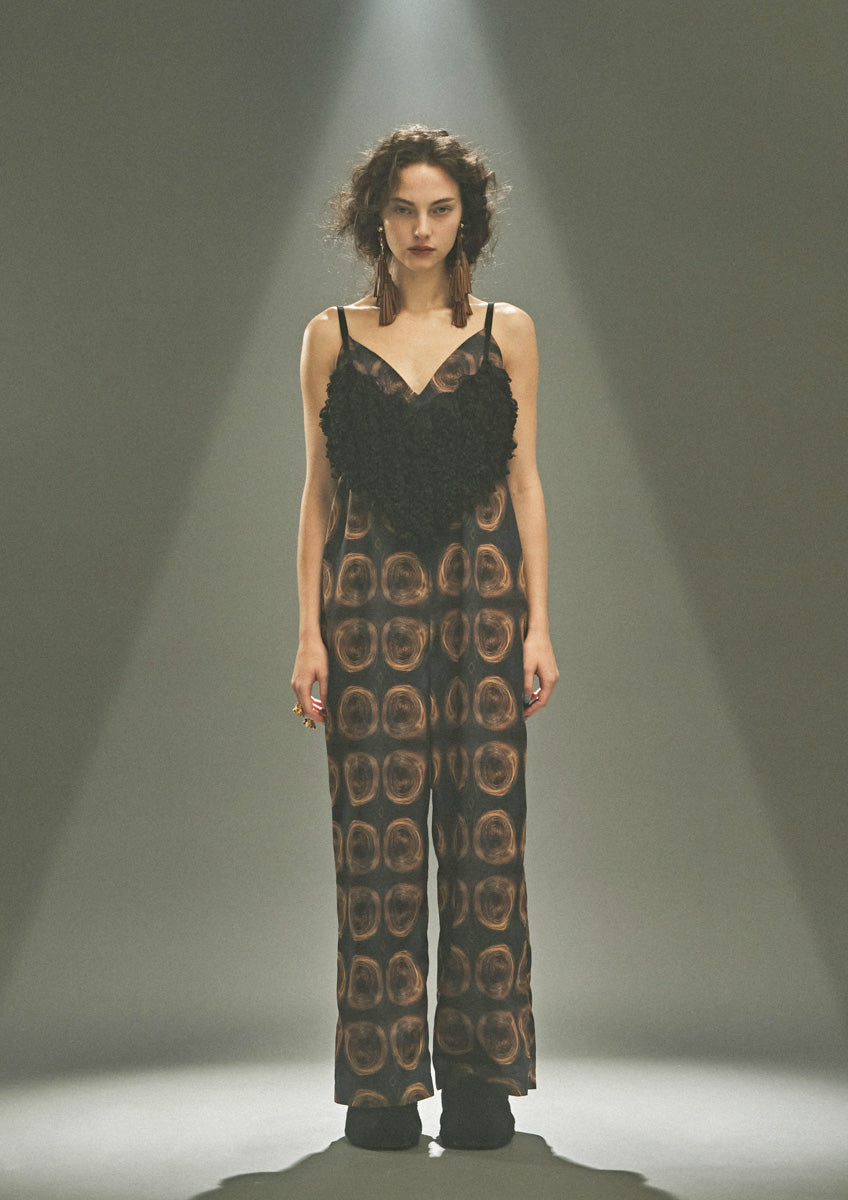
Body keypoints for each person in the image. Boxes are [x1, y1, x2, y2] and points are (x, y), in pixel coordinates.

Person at [291, 126, 558, 1151]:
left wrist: (539, 625)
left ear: (466, 219)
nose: (420, 228)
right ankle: (382, 1084)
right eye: (402, 208)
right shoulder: (331, 337)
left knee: (486, 841)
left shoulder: (505, 331)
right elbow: (318, 496)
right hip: (365, 614)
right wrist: (307, 634)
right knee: (375, 841)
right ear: (375, 217)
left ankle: (481, 1080)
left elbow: (525, 483)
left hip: (485, 612)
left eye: (439, 208)